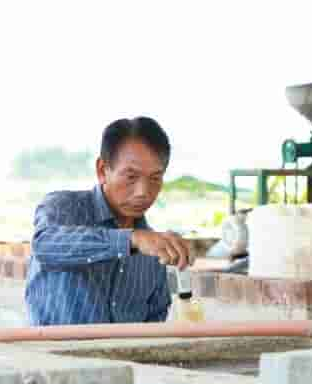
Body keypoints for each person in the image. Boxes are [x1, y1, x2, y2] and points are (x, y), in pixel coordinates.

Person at [25, 116, 192, 325]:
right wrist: (131, 240)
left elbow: (153, 323)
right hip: (55, 357)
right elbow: (44, 245)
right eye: (131, 176)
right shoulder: (63, 208)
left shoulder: (153, 255)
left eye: (155, 178)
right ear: (102, 170)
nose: (143, 192)